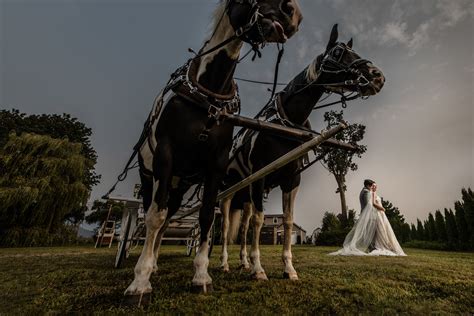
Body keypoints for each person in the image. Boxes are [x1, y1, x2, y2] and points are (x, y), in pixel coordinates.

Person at [329, 180, 406, 256]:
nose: (373, 187)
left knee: (373, 232)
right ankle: (371, 248)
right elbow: (368, 205)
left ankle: (373, 247)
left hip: (372, 215)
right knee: (370, 232)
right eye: (372, 186)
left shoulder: (366, 191)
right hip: (369, 215)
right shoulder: (366, 192)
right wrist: (379, 209)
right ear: (368, 185)